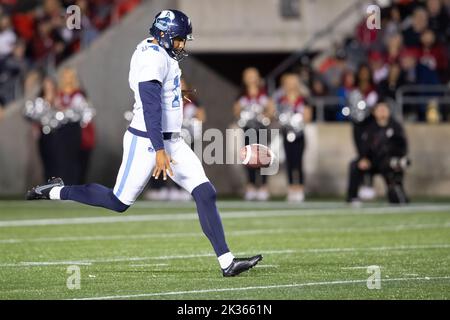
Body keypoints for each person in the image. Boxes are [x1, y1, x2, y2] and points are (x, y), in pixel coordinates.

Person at [26, 9, 262, 277]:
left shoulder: (159, 52)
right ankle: (58, 191)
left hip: (173, 141)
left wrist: (174, 95)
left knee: (205, 192)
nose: (182, 44)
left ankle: (227, 262)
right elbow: (150, 106)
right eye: (178, 39)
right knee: (118, 202)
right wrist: (159, 149)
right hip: (148, 141)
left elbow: (158, 94)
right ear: (162, 35)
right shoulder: (151, 58)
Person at [346, 101, 410, 204]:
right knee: (355, 165)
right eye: (379, 110)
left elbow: (402, 146)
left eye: (384, 109)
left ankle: (396, 194)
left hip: (388, 162)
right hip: (372, 160)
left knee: (396, 197)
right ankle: (352, 197)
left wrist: (398, 158)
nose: (382, 112)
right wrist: (363, 157)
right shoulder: (368, 126)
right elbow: (363, 143)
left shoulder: (396, 127)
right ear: (374, 112)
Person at [233, 67, 275, 201]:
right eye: (248, 76)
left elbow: (271, 109)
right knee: (249, 157)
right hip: (248, 130)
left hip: (261, 129)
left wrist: (263, 116)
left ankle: (263, 186)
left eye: (253, 76)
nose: (251, 79)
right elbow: (236, 111)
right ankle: (250, 186)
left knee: (263, 157)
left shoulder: (264, 93)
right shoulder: (241, 95)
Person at [275, 73, 312, 202]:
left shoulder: (303, 99)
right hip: (286, 134)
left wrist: (296, 121)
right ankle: (291, 188)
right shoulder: (281, 100)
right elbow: (276, 115)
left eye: (293, 82)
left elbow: (308, 117)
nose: (290, 85)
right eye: (288, 83)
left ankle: (300, 188)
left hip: (299, 134)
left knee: (299, 162)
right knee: (289, 162)